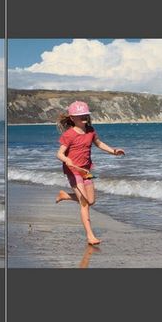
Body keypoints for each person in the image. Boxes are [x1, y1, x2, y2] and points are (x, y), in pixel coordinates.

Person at [54, 101, 125, 245]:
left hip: (86, 170)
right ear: (72, 118)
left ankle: (65, 195)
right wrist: (67, 159)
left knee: (91, 200)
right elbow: (59, 153)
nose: (84, 118)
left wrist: (113, 151)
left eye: (85, 115)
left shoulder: (90, 131)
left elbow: (99, 143)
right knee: (85, 203)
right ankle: (90, 236)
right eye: (80, 116)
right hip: (72, 171)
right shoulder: (69, 135)